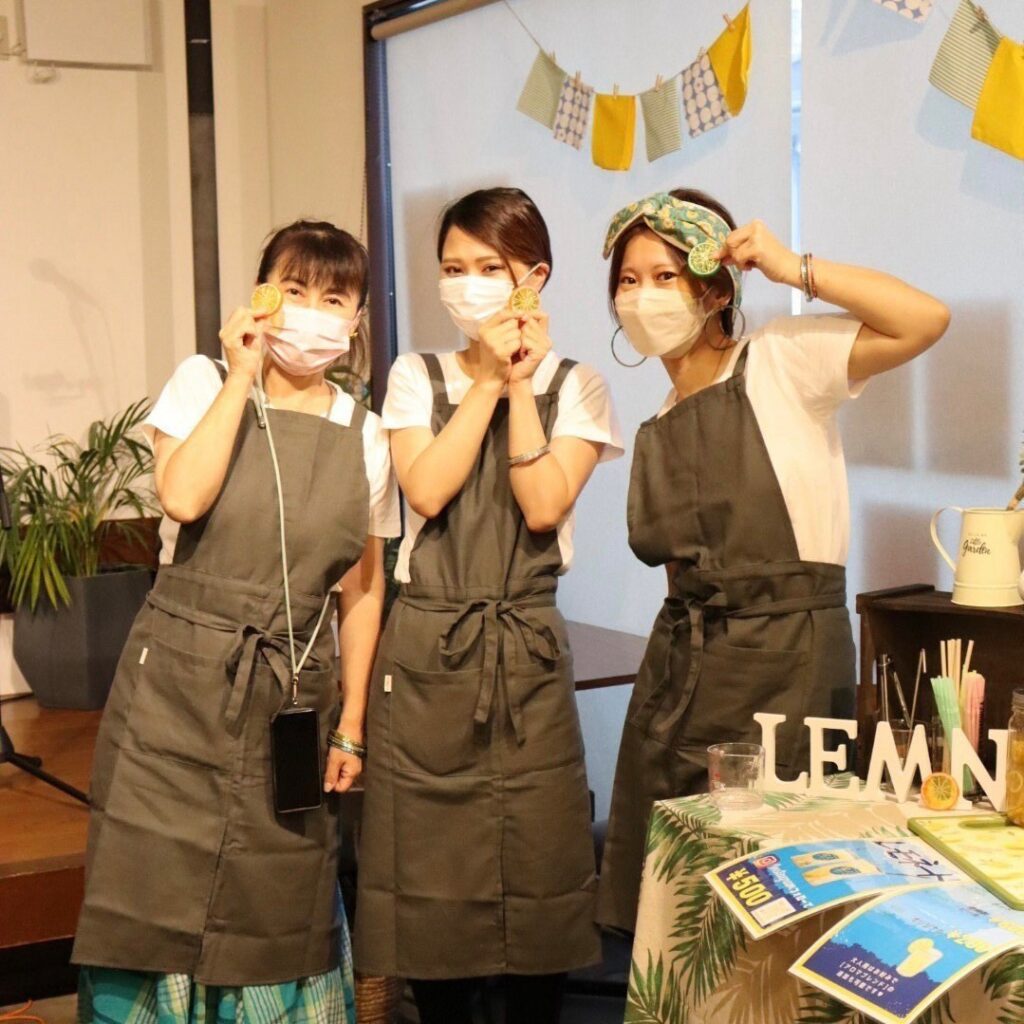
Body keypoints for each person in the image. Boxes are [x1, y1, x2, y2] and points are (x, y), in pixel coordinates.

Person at [595, 189, 950, 933]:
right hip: (683, 669)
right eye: (628, 280)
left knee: (779, 891)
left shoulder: (781, 360)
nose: (641, 296)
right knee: (684, 905)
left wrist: (795, 268)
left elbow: (924, 319)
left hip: (788, 661)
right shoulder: (657, 424)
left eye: (664, 276)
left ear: (715, 290)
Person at [73, 220, 400, 1022]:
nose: (313, 310)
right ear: (261, 297)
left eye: (335, 298)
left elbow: (360, 591)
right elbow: (182, 497)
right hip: (174, 690)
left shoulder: (367, 435)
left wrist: (353, 724)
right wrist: (241, 376)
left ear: (358, 320)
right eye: (295, 290)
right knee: (148, 894)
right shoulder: (202, 382)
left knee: (273, 902)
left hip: (292, 694)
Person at [354, 187, 623, 1024]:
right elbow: (427, 490)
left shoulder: (578, 385)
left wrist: (521, 385)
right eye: (452, 268)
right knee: (432, 892)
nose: (465, 284)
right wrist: (482, 383)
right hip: (428, 651)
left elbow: (542, 506)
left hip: (526, 652)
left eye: (487, 268)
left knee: (539, 879)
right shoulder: (414, 375)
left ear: (533, 279)